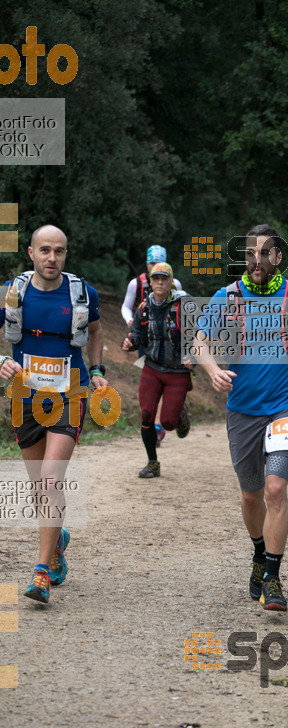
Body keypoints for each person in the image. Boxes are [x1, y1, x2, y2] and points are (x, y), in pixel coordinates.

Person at [194, 224, 288, 612]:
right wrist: (213, 370)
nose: (255, 260)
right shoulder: (228, 296)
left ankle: (273, 575)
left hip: (285, 405)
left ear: (278, 258)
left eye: (264, 253)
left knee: (274, 490)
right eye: (250, 253)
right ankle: (257, 551)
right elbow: (200, 340)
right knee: (251, 495)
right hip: (242, 411)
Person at [0, 224, 108, 604]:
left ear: (65, 254)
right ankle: (57, 540)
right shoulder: (13, 293)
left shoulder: (81, 293)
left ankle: (41, 571)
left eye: (59, 251)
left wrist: (96, 371)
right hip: (23, 398)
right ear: (30, 253)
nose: (52, 258)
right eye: (44, 250)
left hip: (68, 395)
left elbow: (95, 332)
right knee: (37, 489)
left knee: (49, 482)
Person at [122, 262, 192, 478]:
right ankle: (153, 462)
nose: (160, 282)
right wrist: (130, 343)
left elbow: (201, 335)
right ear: (150, 282)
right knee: (146, 415)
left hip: (178, 370)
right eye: (156, 279)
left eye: (164, 278)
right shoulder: (143, 307)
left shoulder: (184, 305)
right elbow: (136, 334)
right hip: (151, 367)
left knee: (169, 423)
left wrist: (194, 357)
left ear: (171, 282)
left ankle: (179, 415)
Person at [121, 245, 183, 446]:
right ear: (147, 265)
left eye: (159, 263)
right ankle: (160, 418)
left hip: (172, 339)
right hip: (146, 336)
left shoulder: (175, 284)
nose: (155, 267)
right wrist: (130, 320)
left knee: (167, 376)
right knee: (152, 377)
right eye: (151, 263)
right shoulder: (136, 284)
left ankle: (158, 425)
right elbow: (125, 306)